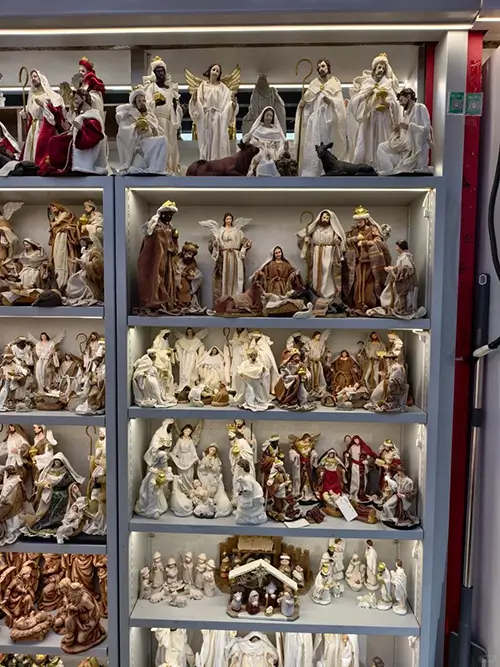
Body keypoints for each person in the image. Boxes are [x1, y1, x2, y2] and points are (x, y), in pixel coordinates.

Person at [347, 53, 400, 169]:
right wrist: (366, 95)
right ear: (374, 68)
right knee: (367, 142)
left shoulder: (388, 83)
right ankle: (366, 165)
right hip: (369, 119)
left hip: (383, 119)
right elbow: (355, 101)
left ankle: (383, 165)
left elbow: (396, 103)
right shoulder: (367, 83)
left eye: (383, 68)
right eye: (379, 67)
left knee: (382, 142)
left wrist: (387, 104)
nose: (381, 70)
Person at [294, 59, 347, 176]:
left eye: (323, 66)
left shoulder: (335, 84)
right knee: (314, 143)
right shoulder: (314, 85)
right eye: (318, 67)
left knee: (327, 142)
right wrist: (303, 105)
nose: (321, 69)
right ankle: (314, 170)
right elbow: (308, 102)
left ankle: (328, 168)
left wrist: (331, 102)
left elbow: (340, 105)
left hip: (328, 121)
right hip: (315, 121)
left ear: (328, 67)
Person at [40, 88, 108, 175]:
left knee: (55, 142)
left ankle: (61, 165)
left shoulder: (91, 116)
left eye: (76, 99)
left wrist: (80, 128)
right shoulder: (83, 115)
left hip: (85, 155)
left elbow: (94, 136)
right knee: (54, 140)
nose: (75, 102)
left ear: (83, 98)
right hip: (76, 144)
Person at [187, 63, 239, 161]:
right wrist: (194, 100)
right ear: (209, 71)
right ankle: (207, 163)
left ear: (219, 74)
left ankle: (218, 163)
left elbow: (228, 103)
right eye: (213, 69)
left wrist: (233, 105)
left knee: (219, 141)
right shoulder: (203, 85)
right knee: (207, 141)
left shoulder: (223, 87)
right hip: (206, 117)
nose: (215, 72)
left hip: (219, 119)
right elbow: (199, 102)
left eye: (217, 71)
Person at [377, 88, 433, 175]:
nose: (400, 103)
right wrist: (398, 132)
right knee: (382, 148)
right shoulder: (406, 114)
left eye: (401, 100)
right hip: (405, 147)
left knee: (382, 148)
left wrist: (408, 126)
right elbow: (405, 133)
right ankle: (389, 173)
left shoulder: (420, 107)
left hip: (415, 149)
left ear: (409, 97)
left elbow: (426, 130)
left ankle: (390, 173)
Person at [143, 56, 183, 175]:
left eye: (162, 71)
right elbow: (146, 105)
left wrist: (176, 108)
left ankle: (170, 168)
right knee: (160, 145)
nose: (161, 74)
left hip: (169, 121)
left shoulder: (171, 89)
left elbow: (175, 107)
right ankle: (160, 168)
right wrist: (155, 103)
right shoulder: (151, 87)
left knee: (171, 145)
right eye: (158, 71)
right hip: (156, 121)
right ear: (154, 74)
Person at [116, 88, 168, 174]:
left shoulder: (150, 116)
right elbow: (122, 133)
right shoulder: (129, 116)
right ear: (135, 103)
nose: (142, 103)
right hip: (137, 146)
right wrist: (135, 127)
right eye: (139, 101)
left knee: (162, 140)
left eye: (143, 100)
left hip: (148, 144)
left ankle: (158, 170)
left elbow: (157, 132)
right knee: (138, 165)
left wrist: (149, 127)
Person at [20, 69, 66, 166]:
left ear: (41, 78)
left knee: (42, 148)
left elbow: (56, 112)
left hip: (44, 125)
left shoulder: (50, 95)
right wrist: (26, 114)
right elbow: (31, 111)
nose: (33, 79)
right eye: (31, 77)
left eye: (35, 76)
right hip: (34, 126)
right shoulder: (32, 96)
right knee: (31, 148)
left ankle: (40, 165)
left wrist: (43, 105)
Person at [297, 209, 346, 299]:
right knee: (316, 271)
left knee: (327, 270)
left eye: (327, 218)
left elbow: (339, 239)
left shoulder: (333, 229)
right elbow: (311, 241)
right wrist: (307, 241)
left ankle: (328, 294)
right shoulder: (316, 229)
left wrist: (337, 241)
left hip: (329, 252)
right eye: (324, 217)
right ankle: (317, 293)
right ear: (320, 218)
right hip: (317, 252)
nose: (325, 219)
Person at [242, 106, 287, 175]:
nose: (269, 117)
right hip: (261, 148)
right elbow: (254, 141)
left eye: (271, 116)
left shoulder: (275, 130)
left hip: (272, 150)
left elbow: (279, 144)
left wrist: (283, 146)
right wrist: (260, 145)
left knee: (273, 157)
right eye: (267, 115)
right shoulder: (258, 129)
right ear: (263, 116)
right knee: (260, 155)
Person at [77, 57, 106, 123]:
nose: (80, 73)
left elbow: (96, 103)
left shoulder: (94, 90)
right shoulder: (81, 85)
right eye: (79, 71)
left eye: (83, 71)